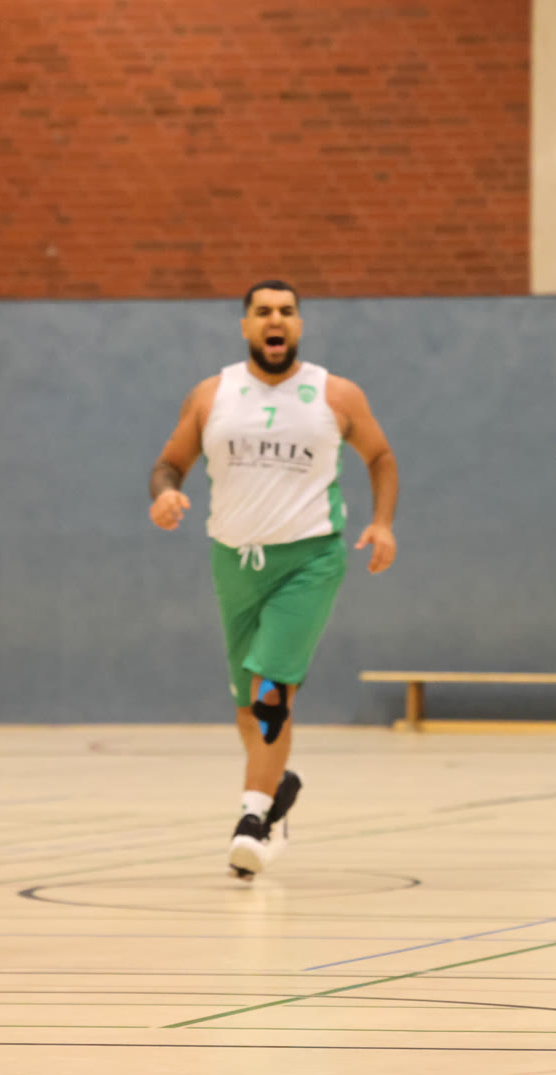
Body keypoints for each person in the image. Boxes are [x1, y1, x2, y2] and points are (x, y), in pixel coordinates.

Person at [147, 281, 399, 878]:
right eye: (263, 312)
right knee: (248, 705)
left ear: (299, 324)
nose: (275, 320)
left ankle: (253, 818)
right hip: (233, 560)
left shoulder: (335, 394)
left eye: (286, 311)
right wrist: (165, 494)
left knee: (270, 692)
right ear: (245, 326)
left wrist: (382, 523)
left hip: (309, 560)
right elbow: (169, 463)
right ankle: (277, 787)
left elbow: (381, 458)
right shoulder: (212, 395)